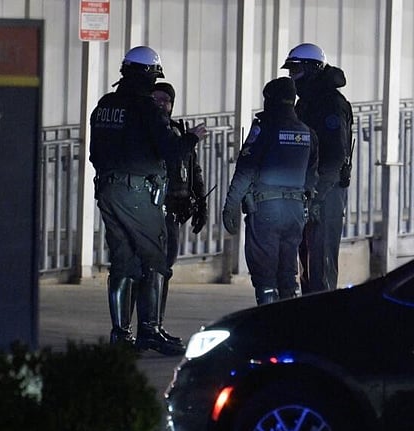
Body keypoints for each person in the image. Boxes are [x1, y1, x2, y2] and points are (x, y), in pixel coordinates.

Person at [90, 46, 208, 356]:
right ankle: (150, 331)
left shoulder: (105, 105)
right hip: (138, 193)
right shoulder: (146, 108)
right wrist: (192, 138)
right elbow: (171, 150)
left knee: (123, 261)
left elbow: (94, 153)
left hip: (108, 190)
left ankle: (120, 334)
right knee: (156, 259)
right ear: (148, 75)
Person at [222, 77, 318, 305]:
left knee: (265, 274)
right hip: (295, 212)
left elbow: (245, 170)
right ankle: (286, 319)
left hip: (266, 210)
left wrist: (231, 206)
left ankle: (268, 320)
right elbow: (312, 177)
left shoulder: (263, 129)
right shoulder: (308, 133)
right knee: (288, 274)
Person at [281, 43, 353, 294]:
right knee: (305, 260)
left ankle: (324, 313)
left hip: (326, 191)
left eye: (296, 70)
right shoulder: (306, 103)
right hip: (308, 190)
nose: (292, 77)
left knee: (320, 260)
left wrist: (317, 196)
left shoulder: (331, 103)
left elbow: (335, 157)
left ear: (312, 69)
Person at [149, 81, 208, 339]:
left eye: (166, 100)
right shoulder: (150, 131)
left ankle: (155, 325)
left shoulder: (177, 131)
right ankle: (141, 328)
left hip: (174, 212)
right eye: (157, 99)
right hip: (151, 211)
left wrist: (201, 204)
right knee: (147, 270)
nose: (162, 104)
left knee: (165, 268)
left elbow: (193, 170)